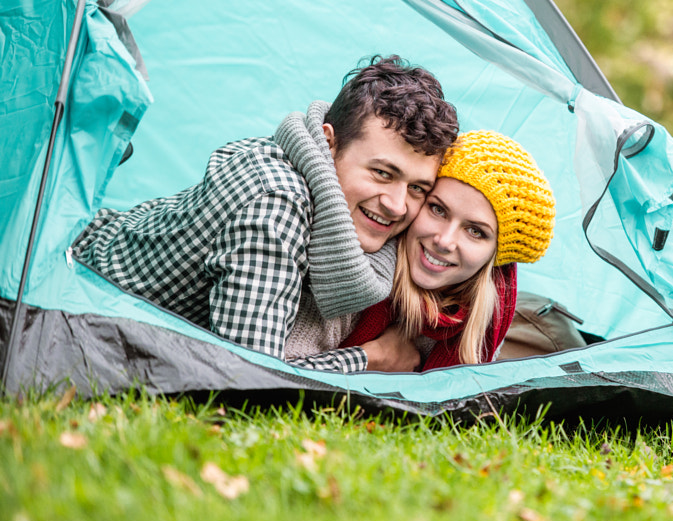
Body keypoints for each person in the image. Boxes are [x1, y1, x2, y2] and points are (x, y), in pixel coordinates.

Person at [73, 55, 458, 371]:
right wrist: (370, 358)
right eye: (381, 173)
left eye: (417, 188)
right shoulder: (276, 204)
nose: (396, 204)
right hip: (79, 292)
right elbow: (249, 376)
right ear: (328, 142)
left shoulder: (318, 179)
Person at [286, 129, 557, 372]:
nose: (444, 241)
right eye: (437, 209)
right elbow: (271, 376)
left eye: (476, 231)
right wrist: (370, 358)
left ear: (495, 258)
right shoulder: (355, 275)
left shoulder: (487, 311)